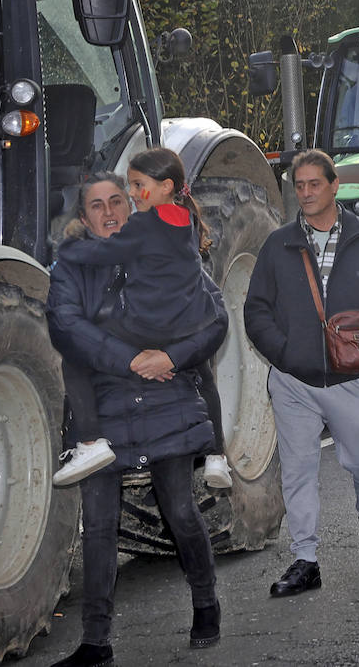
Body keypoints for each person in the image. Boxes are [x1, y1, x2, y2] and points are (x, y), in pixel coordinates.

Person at [47, 171, 228, 666]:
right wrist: (129, 360)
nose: (109, 213)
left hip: (166, 395)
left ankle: (206, 602)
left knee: (179, 509)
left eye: (117, 202)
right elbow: (66, 326)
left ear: (132, 207)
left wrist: (170, 358)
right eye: (97, 206)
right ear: (83, 219)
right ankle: (96, 643)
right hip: (101, 409)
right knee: (100, 526)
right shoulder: (71, 270)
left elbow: (216, 318)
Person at [244, 149, 359, 597]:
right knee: (297, 471)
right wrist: (284, 352)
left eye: (315, 184)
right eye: (299, 185)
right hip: (293, 380)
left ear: (335, 186)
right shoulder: (278, 244)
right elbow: (256, 309)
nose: (307, 193)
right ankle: (305, 559)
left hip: (350, 377)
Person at [53, 149, 230, 489]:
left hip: (152, 325)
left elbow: (107, 252)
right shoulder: (184, 219)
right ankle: (217, 455)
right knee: (203, 369)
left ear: (165, 185)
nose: (132, 196)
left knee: (76, 354)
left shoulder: (144, 225)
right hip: (187, 319)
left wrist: (68, 250)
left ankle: (90, 442)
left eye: (135, 187)